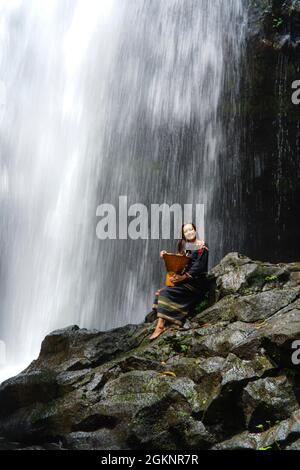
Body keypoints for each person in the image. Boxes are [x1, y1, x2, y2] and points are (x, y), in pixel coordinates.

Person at [149, 223, 209, 340]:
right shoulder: (186, 246)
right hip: (185, 281)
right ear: (184, 235)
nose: (189, 232)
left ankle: (160, 326)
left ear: (195, 230)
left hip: (197, 282)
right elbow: (179, 262)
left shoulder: (202, 246)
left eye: (191, 229)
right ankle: (169, 322)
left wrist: (184, 276)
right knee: (160, 292)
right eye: (186, 231)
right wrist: (165, 256)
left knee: (165, 293)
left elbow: (199, 266)